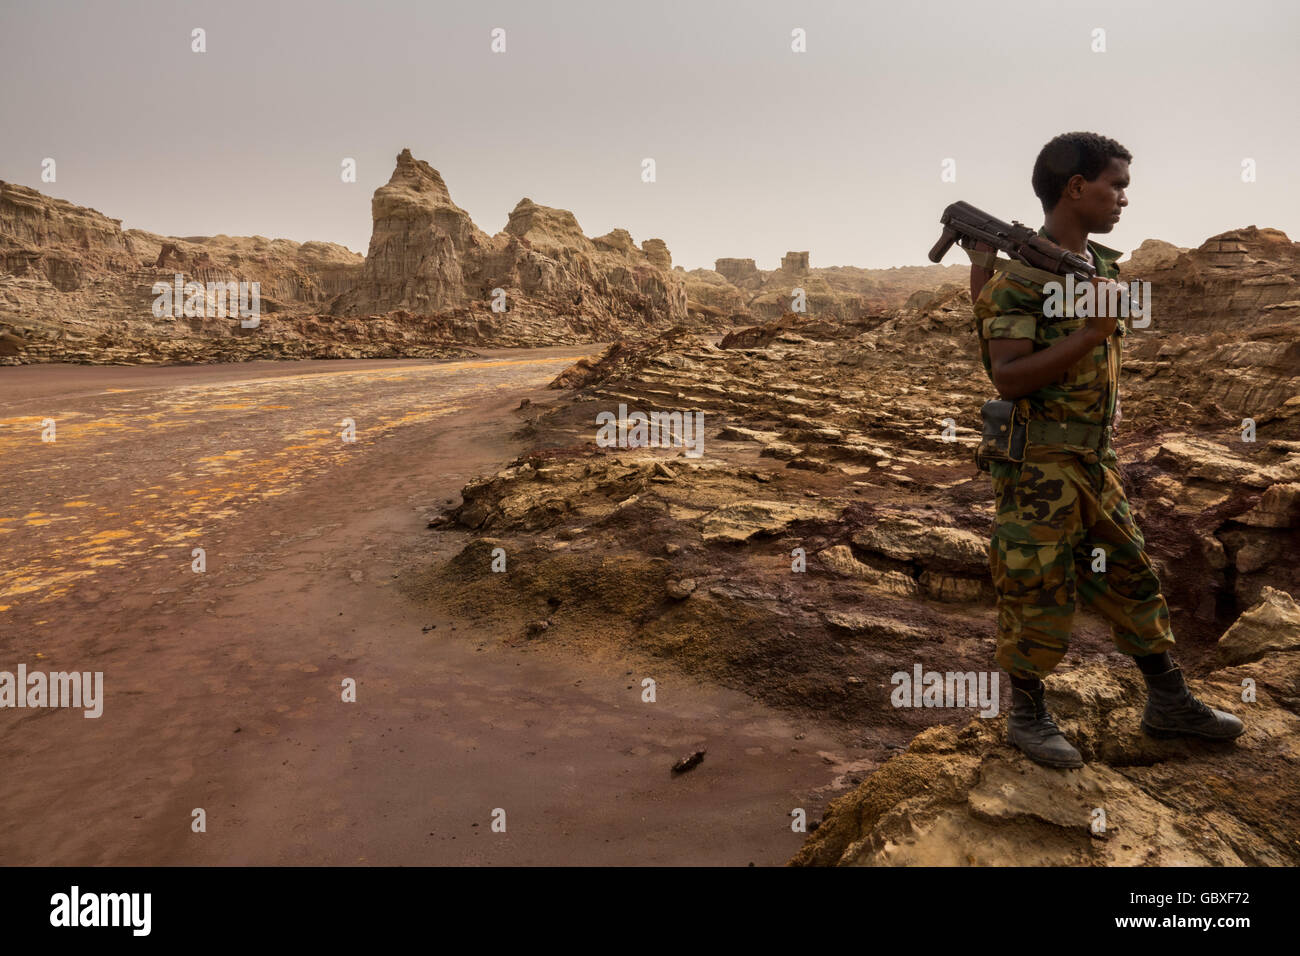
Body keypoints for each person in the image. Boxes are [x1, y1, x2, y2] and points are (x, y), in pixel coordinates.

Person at [971, 131, 1244, 769]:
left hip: (1095, 460)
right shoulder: (1024, 276)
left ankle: (1168, 700)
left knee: (1132, 574)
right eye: (1115, 185)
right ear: (1075, 188)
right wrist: (1095, 331)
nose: (1123, 198)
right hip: (1038, 465)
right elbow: (1006, 374)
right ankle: (1028, 714)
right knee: (1035, 585)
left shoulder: (1100, 268)